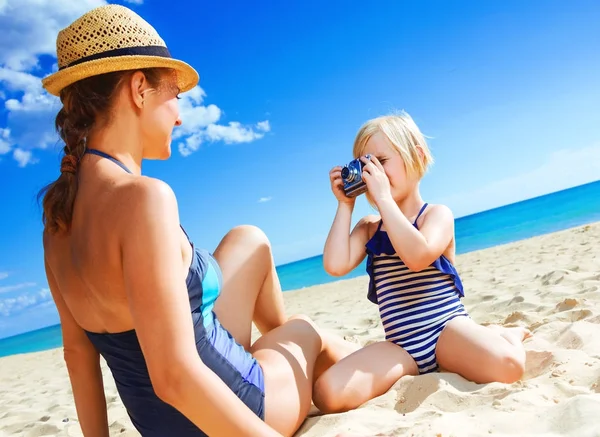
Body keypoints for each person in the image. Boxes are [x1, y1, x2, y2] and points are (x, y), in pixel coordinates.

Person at [39, 5, 359, 437]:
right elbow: (174, 377)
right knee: (304, 331)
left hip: (165, 424)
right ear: (138, 89)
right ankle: (376, 361)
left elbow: (78, 359)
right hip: (239, 411)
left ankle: (325, 361)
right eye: (175, 96)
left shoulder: (58, 224)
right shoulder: (143, 199)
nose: (180, 114)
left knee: (250, 239)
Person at [313, 111, 531, 413]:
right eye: (365, 166)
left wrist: (386, 200)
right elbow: (334, 265)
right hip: (401, 348)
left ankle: (507, 335)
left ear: (416, 156)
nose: (372, 173)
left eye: (382, 161)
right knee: (328, 394)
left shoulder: (435, 215)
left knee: (508, 365)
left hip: (446, 332)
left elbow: (417, 256)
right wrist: (345, 205)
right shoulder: (369, 228)